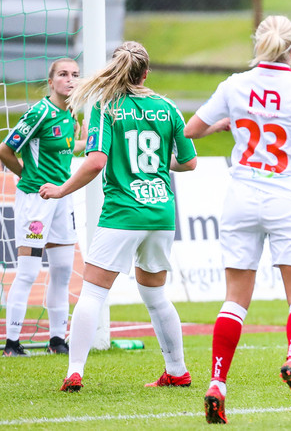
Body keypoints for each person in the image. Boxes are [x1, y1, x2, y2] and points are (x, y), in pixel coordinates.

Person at [184, 16, 291, 422]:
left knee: (235, 299)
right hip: (287, 197)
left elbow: (191, 129)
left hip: (241, 196)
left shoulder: (234, 85)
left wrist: (224, 124)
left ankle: (217, 382)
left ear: (258, 46)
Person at [38, 42, 197, 392]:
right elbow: (189, 162)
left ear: (116, 69)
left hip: (123, 213)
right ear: (146, 73)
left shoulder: (106, 107)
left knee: (93, 293)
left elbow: (96, 161)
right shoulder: (168, 107)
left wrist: (62, 189)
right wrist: (157, 165)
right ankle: (177, 370)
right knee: (156, 297)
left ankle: (75, 371)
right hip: (160, 214)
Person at [1, 58, 86, 357]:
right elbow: (5, 150)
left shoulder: (71, 113)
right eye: (63, 74)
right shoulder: (39, 112)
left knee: (63, 271)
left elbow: (67, 146)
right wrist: (28, 176)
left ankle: (57, 340)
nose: (70, 79)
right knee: (28, 272)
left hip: (62, 198)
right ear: (51, 82)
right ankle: (12, 343)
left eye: (75, 74)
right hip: (36, 201)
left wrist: (85, 140)